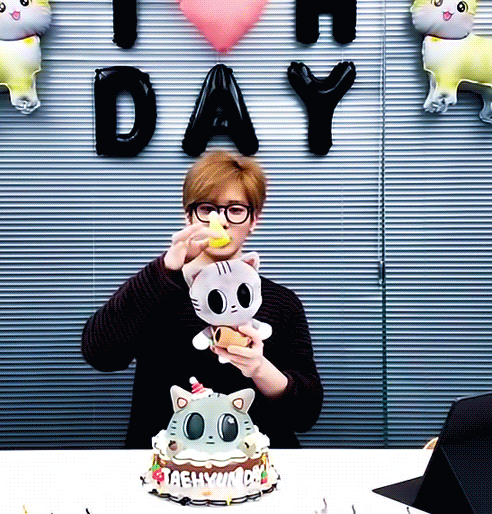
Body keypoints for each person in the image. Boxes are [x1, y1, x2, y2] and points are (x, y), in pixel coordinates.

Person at [82, 149, 323, 448]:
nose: (220, 221)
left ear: (254, 220)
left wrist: (260, 369)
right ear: (188, 216)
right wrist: (165, 269)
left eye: (236, 209)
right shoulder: (156, 287)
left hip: (255, 463)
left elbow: (306, 414)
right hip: (168, 463)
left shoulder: (281, 302)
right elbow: (100, 355)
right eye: (207, 209)